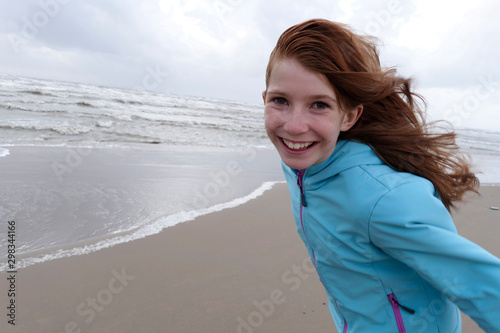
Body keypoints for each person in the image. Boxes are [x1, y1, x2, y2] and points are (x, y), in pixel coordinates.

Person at [262, 18, 500, 332]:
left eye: (319, 105)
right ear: (264, 98)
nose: (294, 126)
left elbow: (482, 285)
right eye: (281, 100)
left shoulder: (385, 198)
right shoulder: (302, 167)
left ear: (349, 116)